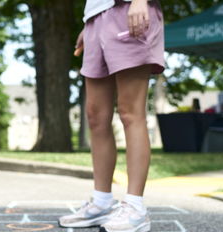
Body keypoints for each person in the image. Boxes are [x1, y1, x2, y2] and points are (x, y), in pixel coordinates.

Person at [59, 0, 164, 231]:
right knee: (95, 116)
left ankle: (135, 208)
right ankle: (101, 202)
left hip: (130, 9)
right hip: (97, 18)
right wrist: (91, 23)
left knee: (130, 112)